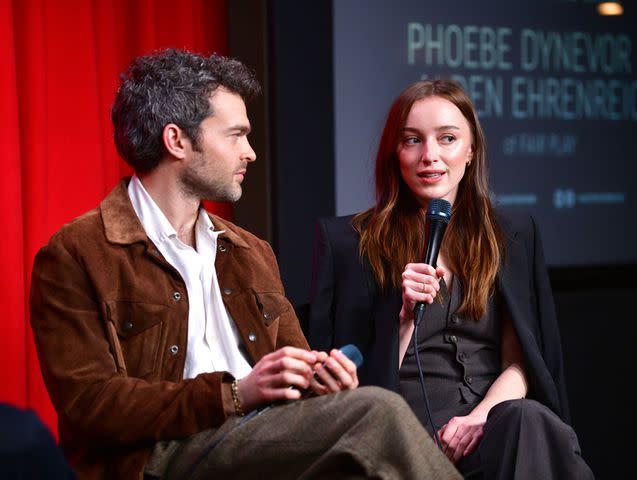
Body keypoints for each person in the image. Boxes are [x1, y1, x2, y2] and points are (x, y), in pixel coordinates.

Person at [29, 49, 461, 480]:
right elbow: (91, 406)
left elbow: (301, 370)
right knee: (377, 412)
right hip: (162, 456)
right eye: (235, 135)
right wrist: (235, 394)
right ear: (176, 140)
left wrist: (320, 378)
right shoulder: (77, 252)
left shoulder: (250, 251)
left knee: (357, 451)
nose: (250, 153)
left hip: (263, 438)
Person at [307, 79, 594, 479]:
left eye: (447, 138)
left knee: (529, 421)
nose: (430, 156)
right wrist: (404, 317)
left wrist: (478, 419)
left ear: (471, 150)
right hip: (407, 435)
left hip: (495, 424)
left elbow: (519, 362)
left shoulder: (513, 234)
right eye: (412, 140)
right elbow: (342, 391)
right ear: (395, 151)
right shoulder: (347, 244)